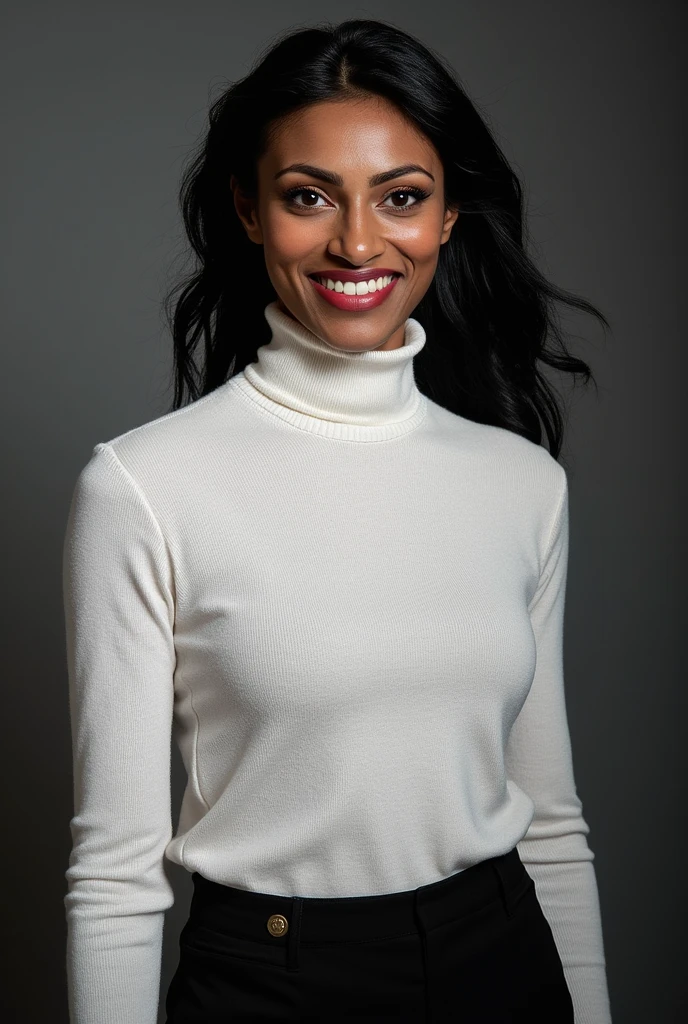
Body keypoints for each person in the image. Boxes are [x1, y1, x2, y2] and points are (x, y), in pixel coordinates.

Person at [62, 17, 613, 1024]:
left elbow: (551, 822)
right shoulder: (143, 487)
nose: (359, 242)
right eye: (309, 196)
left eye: (401, 197)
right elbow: (114, 870)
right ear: (248, 209)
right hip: (267, 982)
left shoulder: (519, 481)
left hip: (503, 960)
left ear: (446, 215)